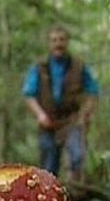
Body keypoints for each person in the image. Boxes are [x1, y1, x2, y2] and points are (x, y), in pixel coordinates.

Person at [22, 25, 99, 187]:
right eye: (54, 40)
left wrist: (85, 115)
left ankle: (75, 195)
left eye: (62, 40)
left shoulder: (78, 66)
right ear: (49, 44)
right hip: (48, 121)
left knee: (77, 157)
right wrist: (40, 115)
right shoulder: (40, 67)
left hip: (71, 120)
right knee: (49, 166)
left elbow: (93, 91)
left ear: (67, 42)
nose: (58, 44)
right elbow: (29, 94)